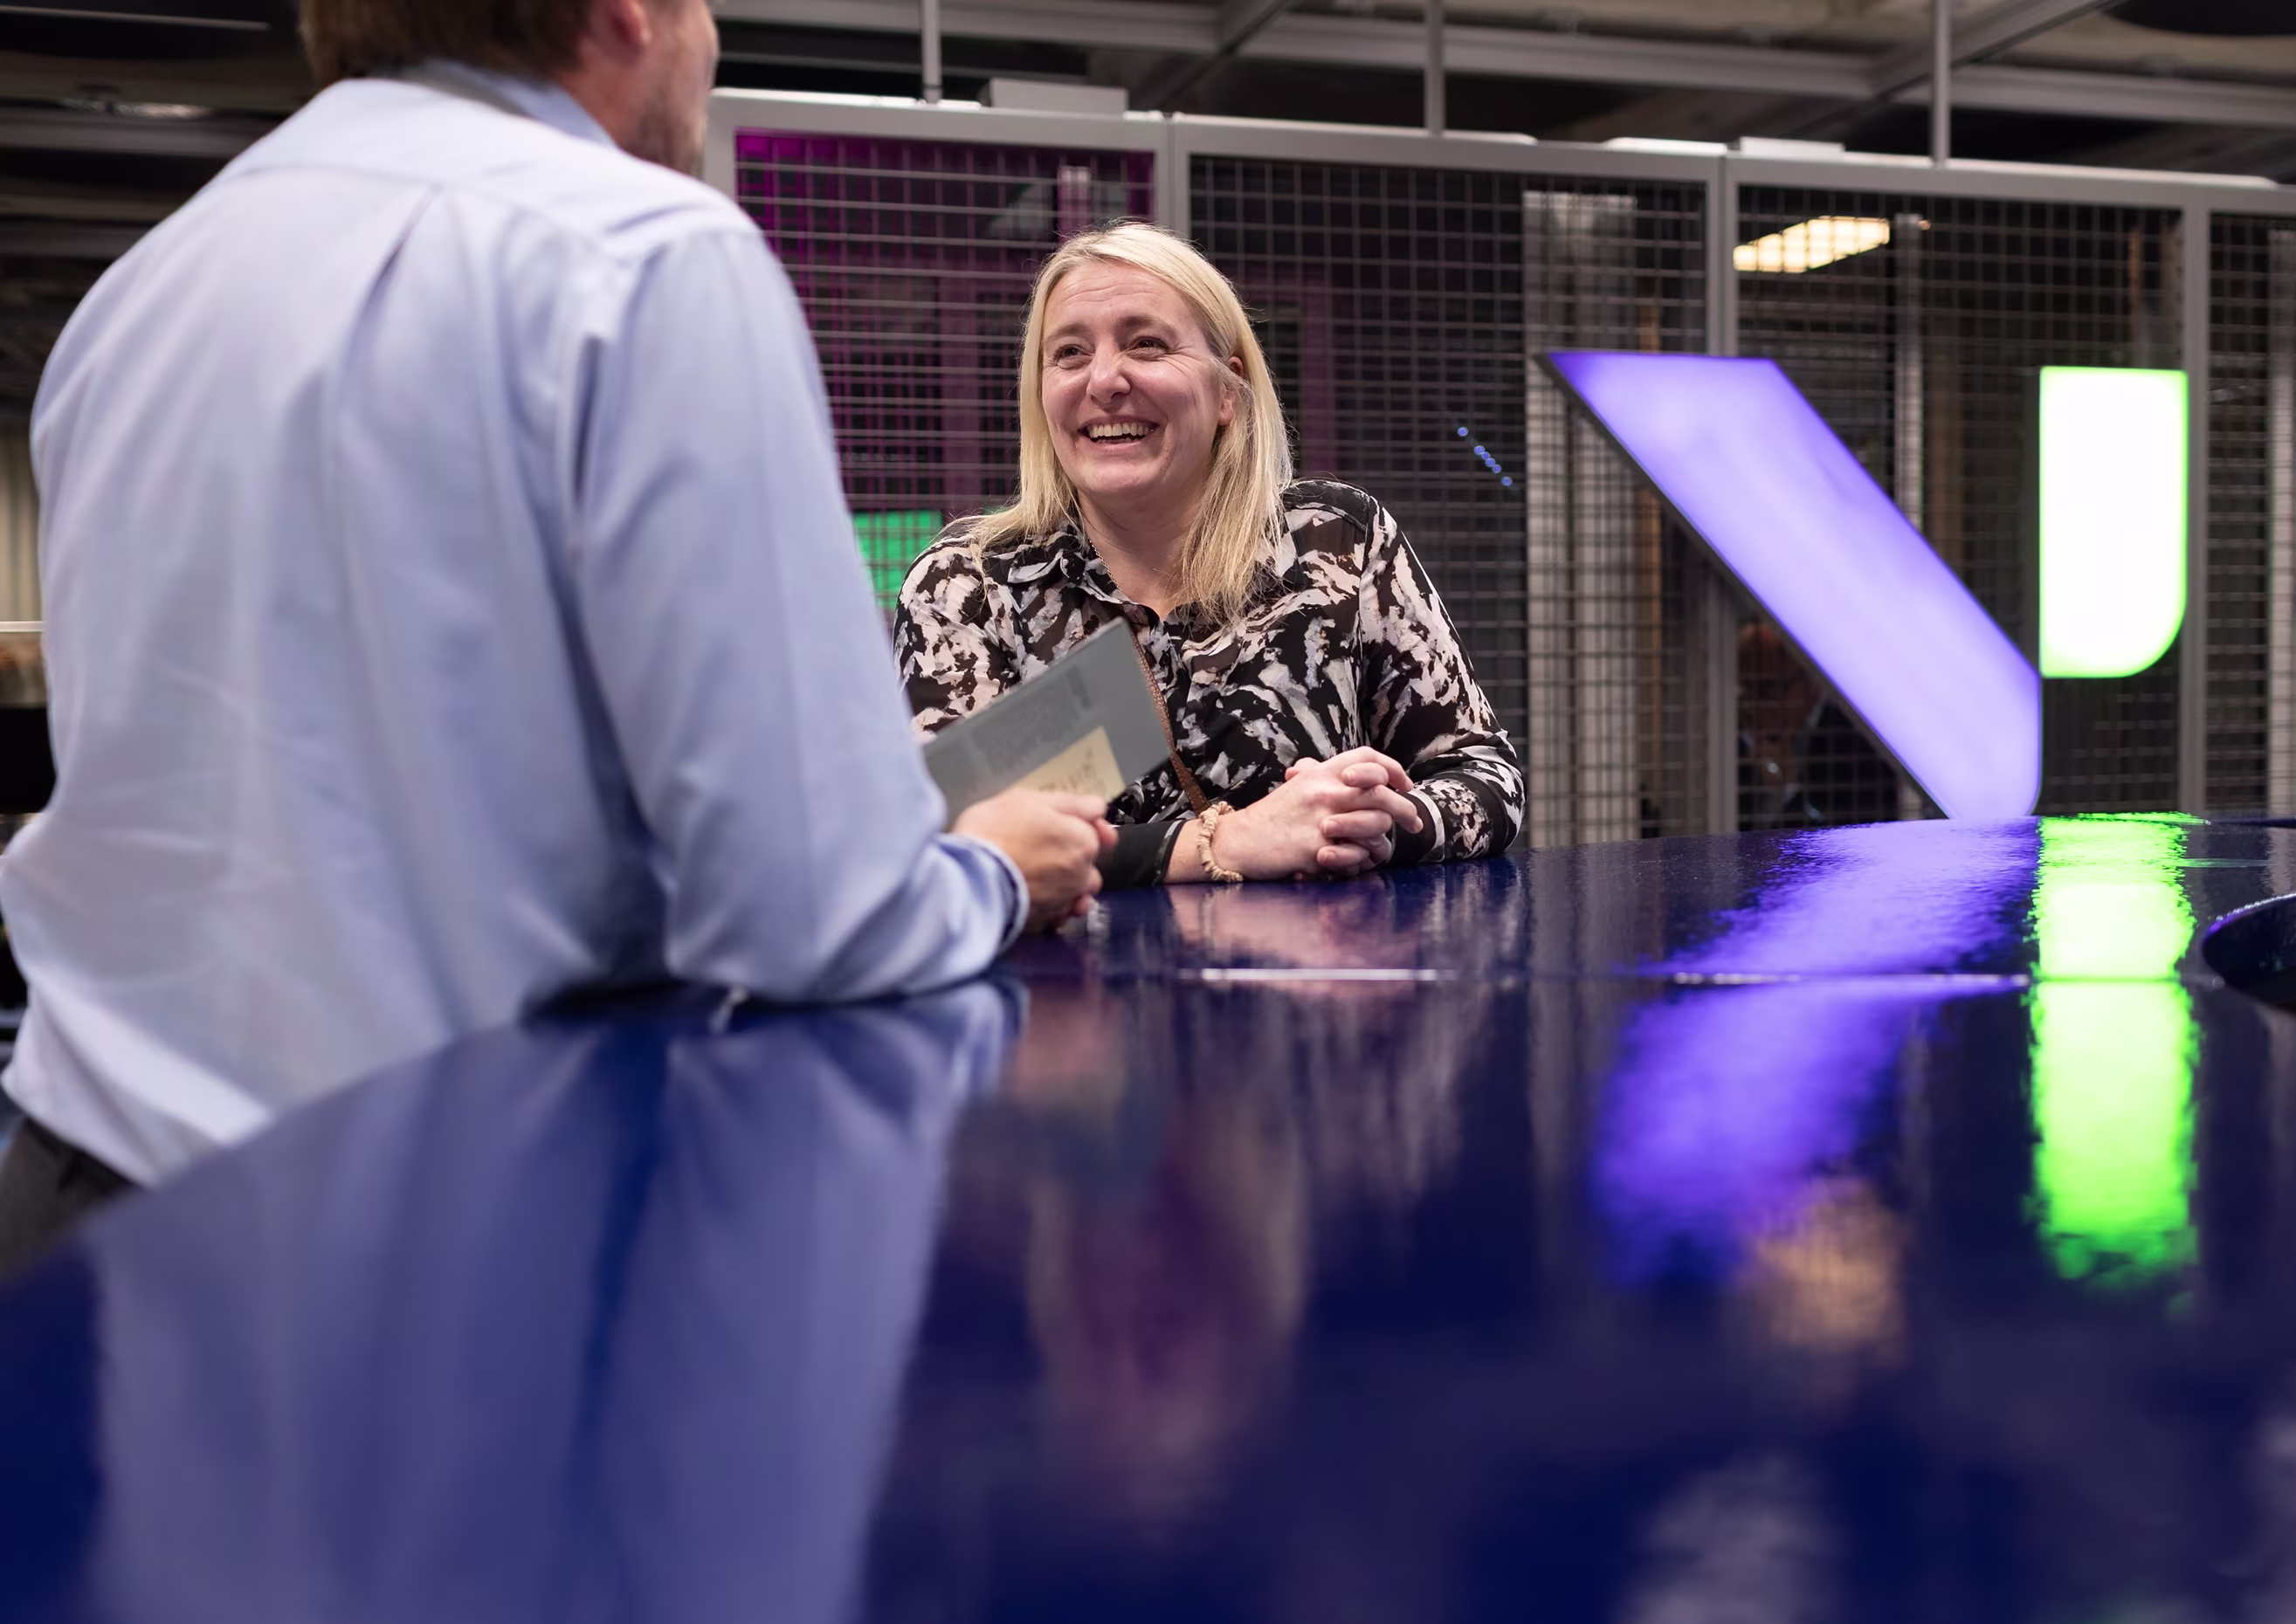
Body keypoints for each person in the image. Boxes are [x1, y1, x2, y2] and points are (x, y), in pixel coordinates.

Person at [0, 0, 1112, 1262]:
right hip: (408, 1229)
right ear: (627, 13)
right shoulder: (641, 254)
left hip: (78, 1201)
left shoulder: (139, 294)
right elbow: (817, 916)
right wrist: (991, 871)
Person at [891, 221, 1524, 886]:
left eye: (1146, 344)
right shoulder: (968, 584)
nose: (1104, 380)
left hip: (1321, 952)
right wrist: (1228, 843)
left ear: (1228, 390)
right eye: (1070, 353)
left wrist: (1366, 822)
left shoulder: (1336, 540)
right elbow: (952, 839)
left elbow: (1484, 775)